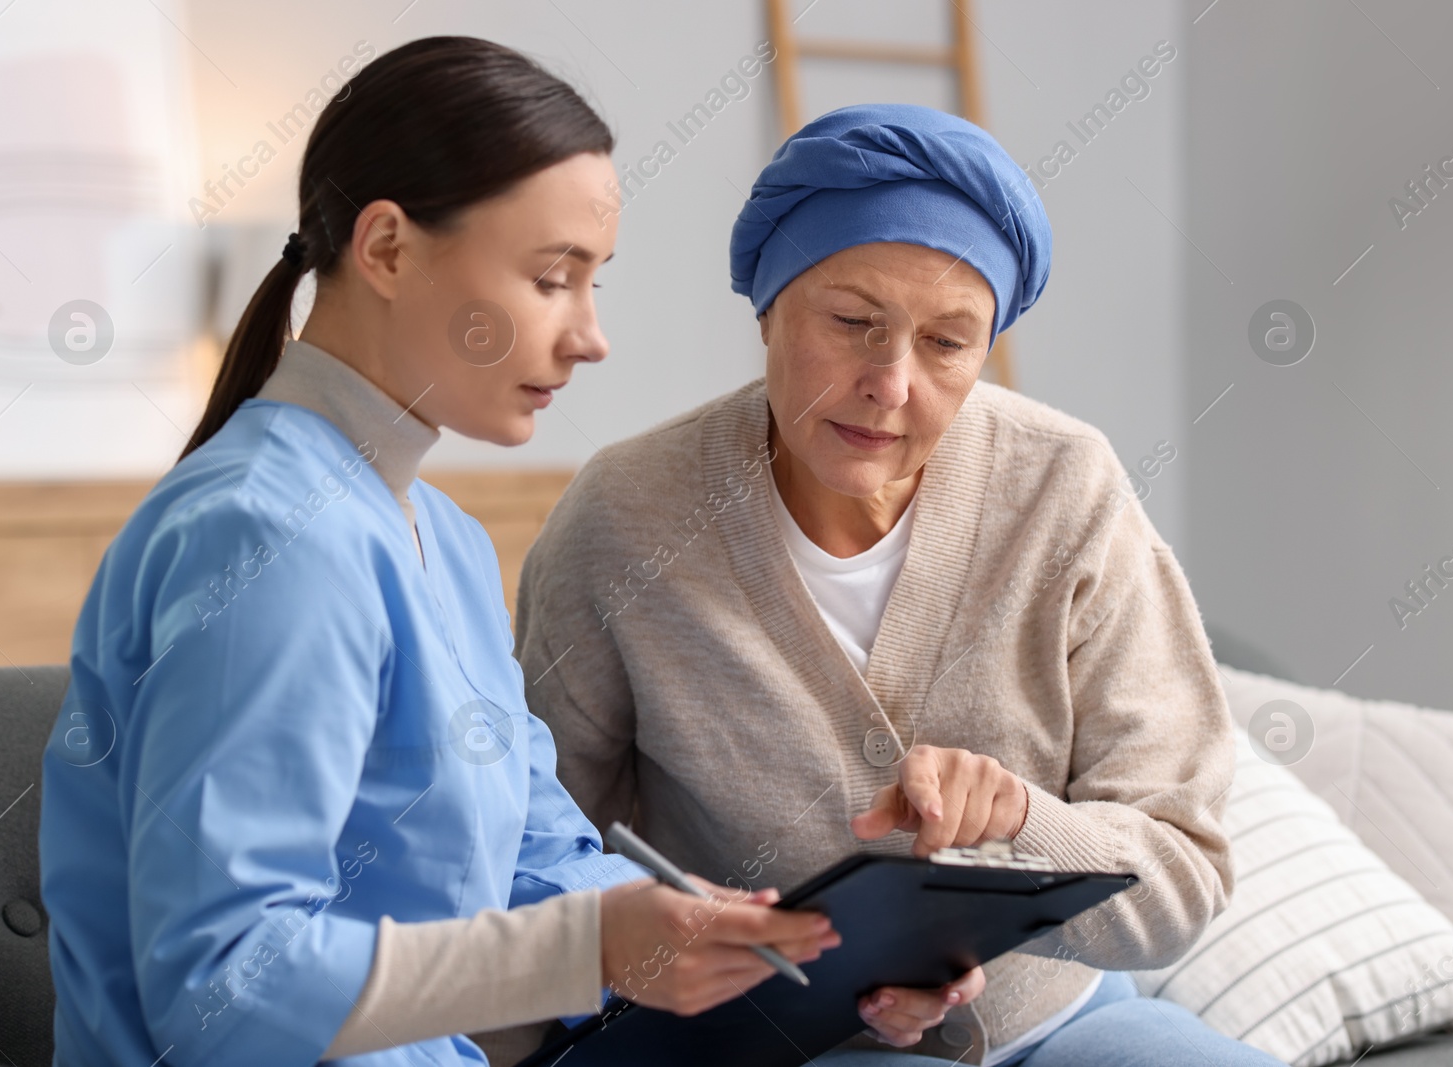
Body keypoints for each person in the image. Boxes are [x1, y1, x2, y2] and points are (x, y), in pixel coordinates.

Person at [36, 37, 838, 1067]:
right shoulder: (268, 537)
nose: (591, 336)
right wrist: (583, 948)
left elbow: (534, 852)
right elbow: (224, 988)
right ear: (385, 249)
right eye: (553, 278)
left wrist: (751, 937)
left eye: (594, 283)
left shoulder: (444, 540)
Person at [515, 104, 1286, 1066]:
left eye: (949, 342)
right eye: (852, 323)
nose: (892, 382)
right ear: (768, 306)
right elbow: (530, 854)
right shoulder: (627, 517)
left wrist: (1017, 827)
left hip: (1064, 1019)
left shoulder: (1066, 485)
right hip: (777, 1039)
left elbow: (1179, 880)